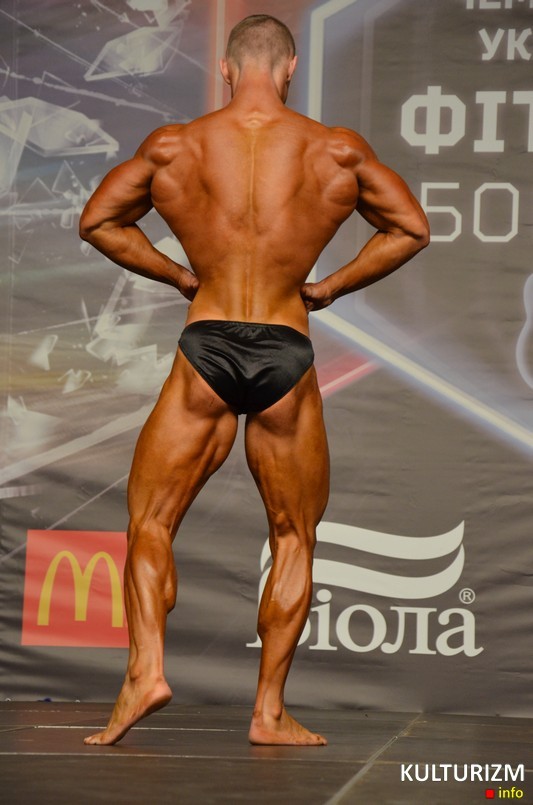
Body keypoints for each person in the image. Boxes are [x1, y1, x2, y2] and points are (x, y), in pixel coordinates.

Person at [79, 14, 429, 747]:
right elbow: (410, 229)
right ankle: (267, 711)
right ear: (291, 68)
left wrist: (180, 274)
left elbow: (99, 221)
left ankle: (146, 671)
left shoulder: (175, 146)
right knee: (293, 534)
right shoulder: (334, 149)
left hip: (204, 343)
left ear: (227, 68)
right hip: (285, 348)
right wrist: (327, 288)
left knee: (150, 522)